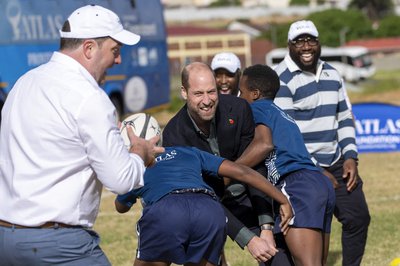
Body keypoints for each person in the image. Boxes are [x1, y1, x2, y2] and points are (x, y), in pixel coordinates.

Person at [0, 5, 163, 265]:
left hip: (6, 237)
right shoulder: (90, 98)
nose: (118, 60)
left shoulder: (24, 83)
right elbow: (120, 181)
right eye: (115, 51)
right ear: (89, 49)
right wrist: (139, 153)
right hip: (57, 243)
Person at [162, 62, 290, 264]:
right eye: (198, 94)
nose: (207, 101)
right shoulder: (173, 135)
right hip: (204, 206)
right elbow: (201, 196)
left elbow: (254, 167)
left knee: (279, 260)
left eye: (211, 92)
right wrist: (248, 239)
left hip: (246, 196)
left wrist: (265, 226)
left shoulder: (238, 109)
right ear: (184, 93)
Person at [273, 20, 371, 266]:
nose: (306, 46)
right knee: (309, 232)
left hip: (337, 161)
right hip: (301, 167)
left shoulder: (333, 73)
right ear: (289, 45)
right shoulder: (281, 79)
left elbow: (344, 116)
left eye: (311, 40)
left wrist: (350, 156)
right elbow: (286, 132)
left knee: (357, 218)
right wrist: (314, 168)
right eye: (299, 41)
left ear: (318, 43)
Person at [115, 146, 293, 266]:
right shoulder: (187, 151)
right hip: (208, 208)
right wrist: (282, 199)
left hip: (167, 209)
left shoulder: (137, 166)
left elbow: (120, 206)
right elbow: (242, 172)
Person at [236, 64, 336, 265]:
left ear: (254, 94)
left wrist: (229, 170)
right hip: (317, 183)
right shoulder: (281, 113)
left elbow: (264, 145)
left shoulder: (256, 108)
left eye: (242, 91)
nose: (239, 96)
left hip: (296, 184)